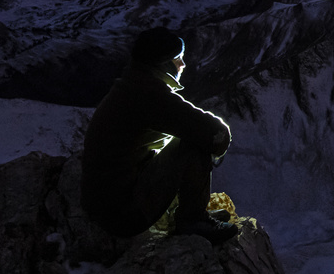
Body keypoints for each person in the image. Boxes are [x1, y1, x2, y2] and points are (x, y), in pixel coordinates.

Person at [81, 27, 238, 244]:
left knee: (180, 141)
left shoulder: (132, 86)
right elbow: (213, 132)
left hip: (108, 206)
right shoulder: (148, 94)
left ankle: (190, 211)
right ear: (163, 62)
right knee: (193, 143)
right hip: (123, 215)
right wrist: (217, 146)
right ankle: (192, 220)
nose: (183, 64)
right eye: (178, 59)